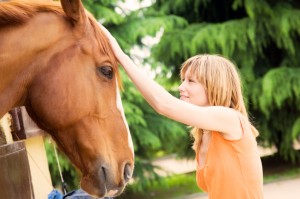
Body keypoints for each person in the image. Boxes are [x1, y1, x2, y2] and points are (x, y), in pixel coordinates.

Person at [99, 25, 264, 199]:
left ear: (214, 86)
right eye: (183, 80)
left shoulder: (231, 119)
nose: (181, 87)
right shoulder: (203, 136)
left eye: (191, 81)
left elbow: (163, 104)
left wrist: (121, 57)